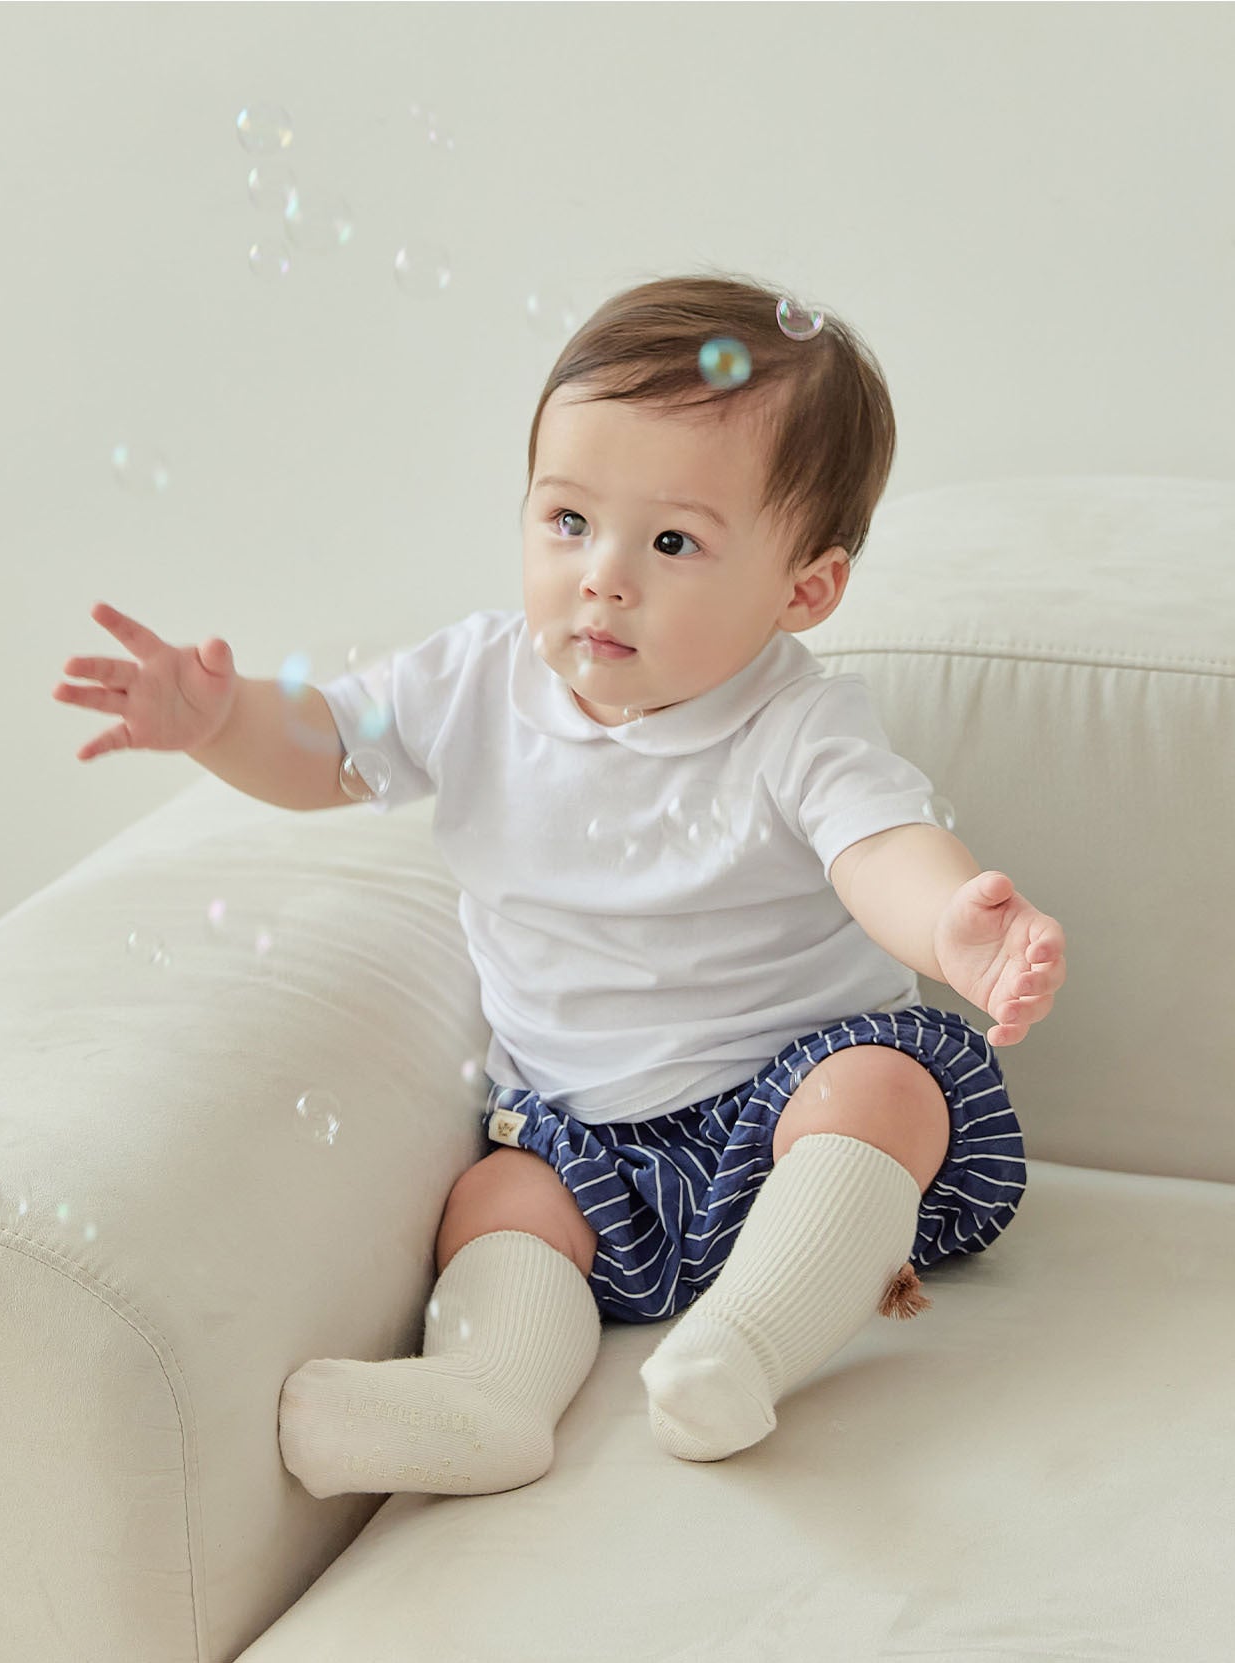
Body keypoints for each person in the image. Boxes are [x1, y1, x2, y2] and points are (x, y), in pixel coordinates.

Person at [52, 271, 1066, 1499]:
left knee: (889, 1085)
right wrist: (219, 719)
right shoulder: (474, 682)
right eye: (568, 521)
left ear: (805, 589)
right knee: (498, 1196)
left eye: (674, 541)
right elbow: (324, 745)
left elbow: (881, 849)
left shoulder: (800, 726)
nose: (605, 576)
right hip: (585, 1140)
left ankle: (744, 1348)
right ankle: (488, 1396)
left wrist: (959, 927)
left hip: (783, 1116)